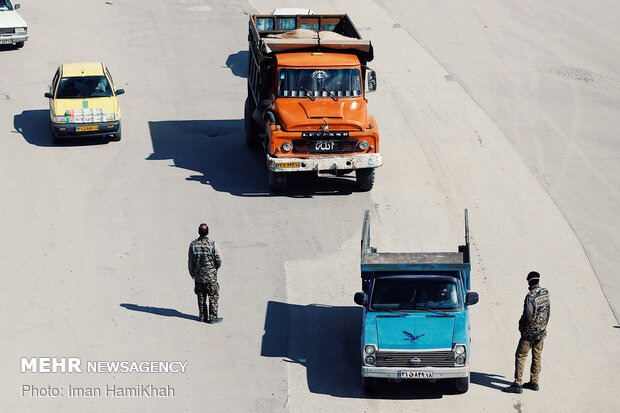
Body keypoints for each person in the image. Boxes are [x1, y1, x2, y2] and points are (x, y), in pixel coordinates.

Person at [503, 271, 551, 393]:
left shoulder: (530, 296)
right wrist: (544, 325)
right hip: (541, 331)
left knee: (521, 355)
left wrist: (521, 325)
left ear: (529, 281)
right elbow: (548, 311)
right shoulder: (545, 293)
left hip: (529, 333)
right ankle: (534, 382)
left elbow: (528, 314)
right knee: (537, 356)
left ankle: (517, 384)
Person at [188, 223, 222, 323]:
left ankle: (202, 316)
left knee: (201, 296)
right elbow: (218, 259)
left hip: (198, 275)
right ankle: (213, 317)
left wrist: (191, 272)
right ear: (208, 232)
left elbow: (190, 260)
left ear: (199, 232)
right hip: (210, 275)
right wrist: (215, 268)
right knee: (213, 295)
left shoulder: (193, 244)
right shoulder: (212, 244)